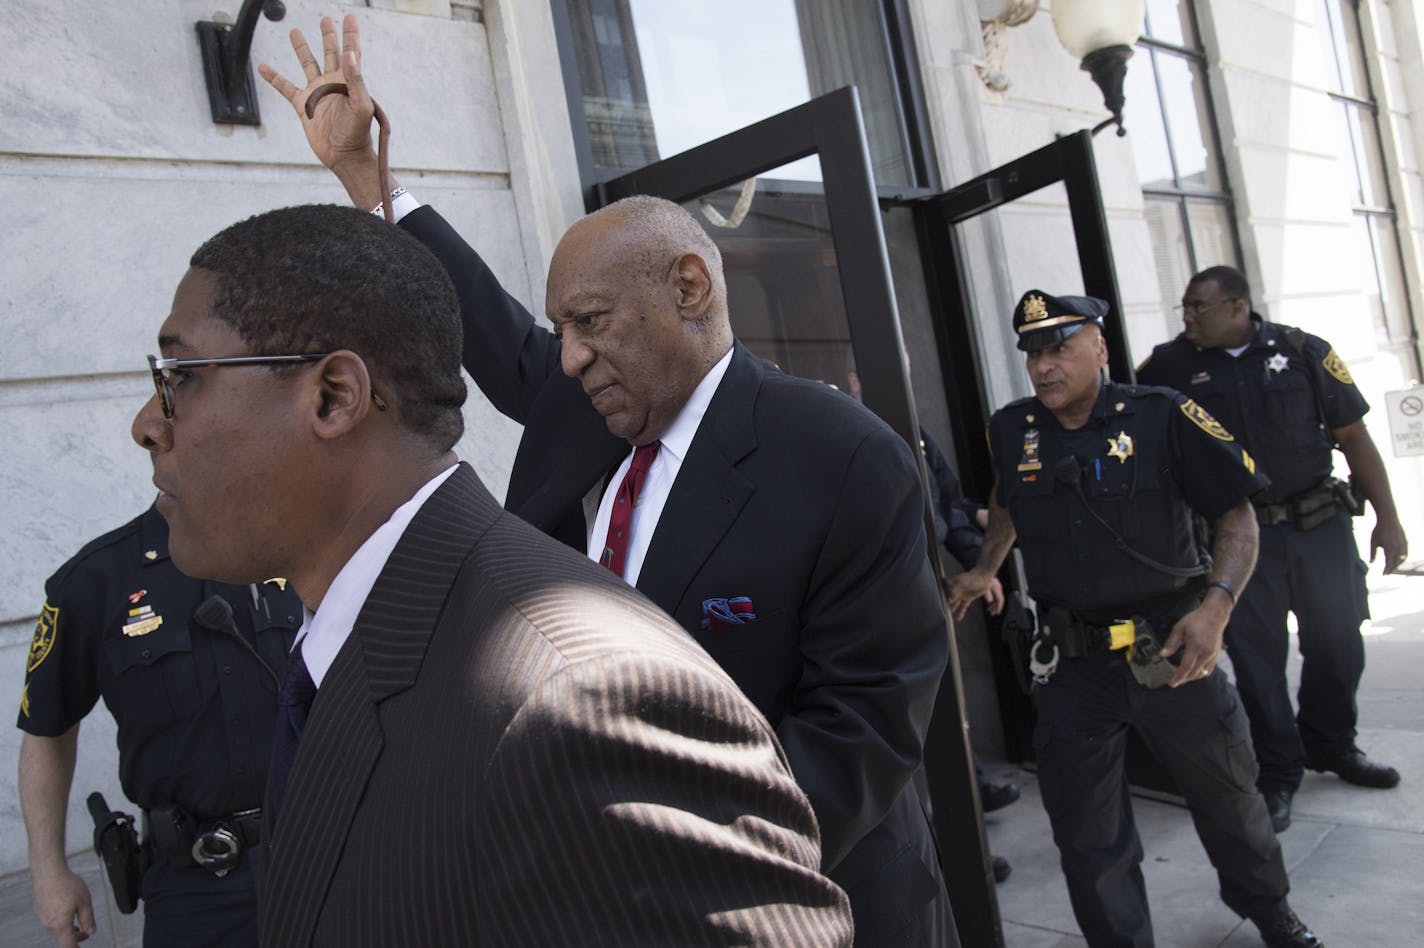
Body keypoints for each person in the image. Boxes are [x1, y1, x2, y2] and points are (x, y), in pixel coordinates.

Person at [259, 16, 953, 944]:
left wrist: (656, 855)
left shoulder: (842, 459)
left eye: (590, 322)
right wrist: (367, 182)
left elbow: (862, 733)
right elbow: (480, 319)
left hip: (786, 893)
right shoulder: (586, 398)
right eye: (563, 329)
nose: (571, 356)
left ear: (691, 291)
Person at [129, 202, 853, 946]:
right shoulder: (346, 641)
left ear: (335, 396)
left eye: (180, 374)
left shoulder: (580, 697)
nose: (147, 423)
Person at [948, 290, 1321, 947]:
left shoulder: (1161, 416)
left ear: (1099, 347)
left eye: (1060, 348)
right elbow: (1007, 496)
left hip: (1173, 644)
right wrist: (986, 566)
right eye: (1033, 353)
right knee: (1086, 829)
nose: (1043, 366)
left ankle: (1269, 909)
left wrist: (1217, 606)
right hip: (1072, 660)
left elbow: (1238, 515)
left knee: (1229, 794)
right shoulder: (1013, 428)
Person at [1137, 265, 1407, 831]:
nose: (1187, 318)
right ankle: (1279, 770)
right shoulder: (1170, 367)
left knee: (1338, 644)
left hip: (1319, 528)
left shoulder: (1304, 352)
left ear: (1236, 306)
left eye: (1197, 307)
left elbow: (1353, 437)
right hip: (1240, 541)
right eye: (1183, 307)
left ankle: (1332, 745)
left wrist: (1389, 518)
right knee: (1258, 663)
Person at [17, 505, 301, 947]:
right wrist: (49, 869)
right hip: (195, 889)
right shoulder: (97, 579)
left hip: (323, 853)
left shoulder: (295, 545)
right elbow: (47, 731)